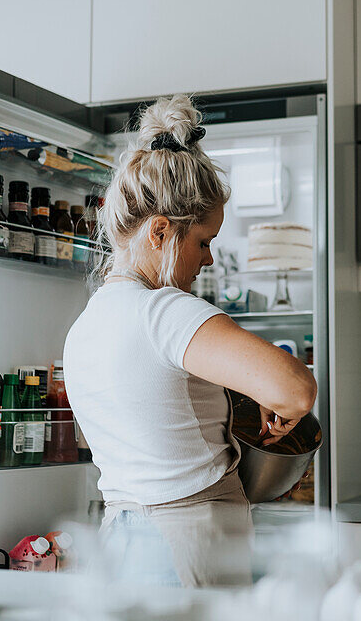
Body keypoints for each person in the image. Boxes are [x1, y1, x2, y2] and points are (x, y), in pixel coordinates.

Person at [62, 95, 317, 587]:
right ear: (160, 231)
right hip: (187, 542)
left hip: (123, 539)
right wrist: (277, 404)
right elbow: (297, 390)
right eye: (204, 242)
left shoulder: (85, 326)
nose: (208, 261)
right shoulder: (164, 311)